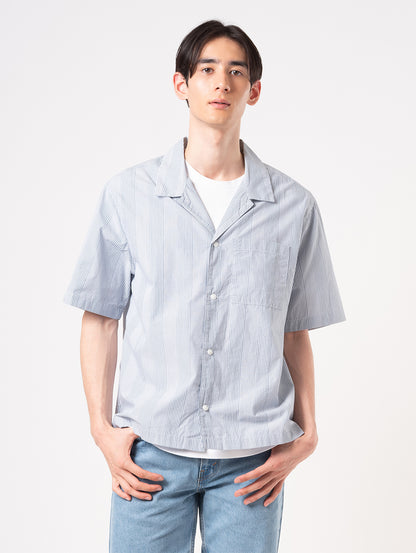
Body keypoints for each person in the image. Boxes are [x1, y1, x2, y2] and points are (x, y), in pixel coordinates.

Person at [63, 19, 346, 553]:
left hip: (252, 462)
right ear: (182, 84)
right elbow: (100, 318)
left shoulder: (294, 206)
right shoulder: (128, 195)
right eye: (207, 69)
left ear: (253, 90)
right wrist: (102, 430)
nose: (222, 82)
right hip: (150, 455)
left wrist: (307, 433)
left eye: (236, 72)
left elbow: (295, 331)